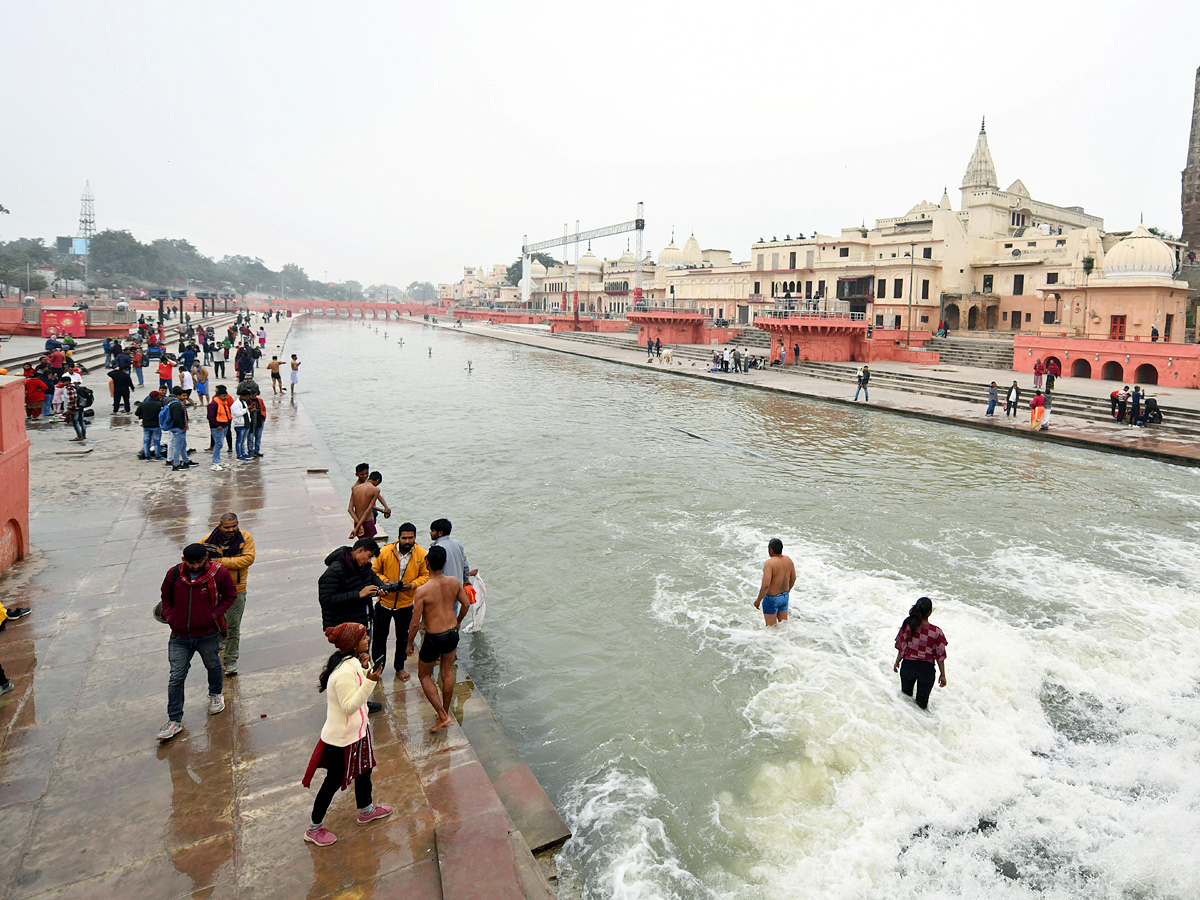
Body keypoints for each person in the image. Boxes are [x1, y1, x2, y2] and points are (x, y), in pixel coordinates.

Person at [301, 623, 393, 846]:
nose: (368, 639)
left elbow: (360, 680)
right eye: (363, 637)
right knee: (332, 782)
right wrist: (370, 682)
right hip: (341, 740)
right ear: (353, 644)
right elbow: (350, 706)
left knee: (364, 771)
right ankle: (313, 828)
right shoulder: (341, 673)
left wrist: (366, 670)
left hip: (358, 734)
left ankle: (366, 810)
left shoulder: (352, 662)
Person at [157, 543, 238, 741]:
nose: (194, 567)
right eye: (190, 563)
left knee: (212, 665)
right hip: (179, 636)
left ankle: (215, 693)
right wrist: (169, 615)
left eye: (199, 562)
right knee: (176, 676)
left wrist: (214, 615)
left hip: (207, 633)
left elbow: (230, 595)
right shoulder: (174, 574)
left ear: (206, 559)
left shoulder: (219, 573)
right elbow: (165, 596)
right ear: (184, 560)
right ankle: (174, 720)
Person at [318, 537, 386, 715]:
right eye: (369, 556)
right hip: (346, 626)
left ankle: (360, 699)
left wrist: (380, 587)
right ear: (360, 550)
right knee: (352, 663)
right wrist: (359, 594)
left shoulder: (362, 567)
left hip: (362, 621)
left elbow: (372, 577)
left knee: (362, 661)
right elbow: (326, 599)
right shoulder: (335, 570)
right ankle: (353, 700)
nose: (369, 561)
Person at [407, 545, 470, 732]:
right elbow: (466, 604)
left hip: (434, 637)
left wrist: (410, 643)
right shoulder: (454, 582)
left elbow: (414, 623)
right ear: (445, 563)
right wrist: (458, 622)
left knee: (424, 675)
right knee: (447, 673)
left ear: (426, 563)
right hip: (451, 633)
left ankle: (442, 715)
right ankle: (445, 711)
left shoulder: (423, 591)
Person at [371, 524, 430, 682]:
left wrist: (412, 585)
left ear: (415, 538)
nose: (407, 541)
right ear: (398, 538)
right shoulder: (384, 551)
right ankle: (377, 667)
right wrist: (386, 582)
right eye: (404, 538)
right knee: (379, 637)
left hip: (405, 604)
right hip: (384, 602)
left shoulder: (421, 554)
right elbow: (374, 571)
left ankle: (399, 667)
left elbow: (425, 575)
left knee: (403, 637)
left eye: (411, 538)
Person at [200, 513, 256, 677]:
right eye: (227, 527)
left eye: (234, 526)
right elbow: (200, 560)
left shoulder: (246, 538)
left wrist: (218, 562)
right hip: (214, 588)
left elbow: (247, 559)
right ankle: (222, 635)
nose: (231, 530)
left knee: (233, 625)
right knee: (219, 619)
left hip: (236, 589)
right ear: (219, 526)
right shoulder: (207, 541)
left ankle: (231, 659)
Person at [893, 596, 947, 710]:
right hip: (926, 670)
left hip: (908, 666)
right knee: (921, 706)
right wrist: (943, 674)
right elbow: (940, 655)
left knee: (905, 703)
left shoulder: (908, 626)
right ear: (930, 612)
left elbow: (902, 647)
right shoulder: (936, 632)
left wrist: (897, 662)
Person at [753, 537, 796, 627]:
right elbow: (793, 579)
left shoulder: (770, 563)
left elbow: (765, 585)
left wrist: (758, 600)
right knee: (783, 627)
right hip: (784, 597)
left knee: (771, 630)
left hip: (771, 599)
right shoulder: (788, 560)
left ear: (771, 550)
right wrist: (787, 591)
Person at [429, 518, 472, 587]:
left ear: (440, 533)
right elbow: (465, 566)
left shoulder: (437, 548)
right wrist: (466, 581)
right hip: (458, 587)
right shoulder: (458, 544)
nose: (430, 533)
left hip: (443, 588)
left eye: (432, 531)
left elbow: (434, 571)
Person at [349, 473, 390, 539]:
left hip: (357, 521)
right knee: (368, 545)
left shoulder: (355, 488)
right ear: (377, 480)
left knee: (361, 543)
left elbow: (350, 509)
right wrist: (358, 527)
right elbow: (368, 510)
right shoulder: (375, 490)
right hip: (368, 521)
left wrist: (358, 526)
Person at [165, 385, 194, 471]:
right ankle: (176, 464)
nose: (185, 397)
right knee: (177, 446)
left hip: (180, 428)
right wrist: (182, 427)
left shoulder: (178, 403)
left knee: (183, 445)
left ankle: (186, 461)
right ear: (178, 396)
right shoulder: (177, 405)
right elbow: (176, 417)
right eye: (183, 396)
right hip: (178, 429)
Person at [136, 390, 165, 460]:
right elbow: (163, 414)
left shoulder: (143, 404)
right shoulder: (159, 404)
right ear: (157, 396)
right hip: (156, 424)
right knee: (156, 441)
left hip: (146, 424)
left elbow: (137, 413)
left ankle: (147, 456)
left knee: (146, 441)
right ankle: (157, 455)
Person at [60, 375, 86, 442]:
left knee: (75, 422)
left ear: (68, 381)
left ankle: (79, 436)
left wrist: (68, 408)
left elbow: (71, 399)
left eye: (64, 382)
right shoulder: (75, 386)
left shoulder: (69, 388)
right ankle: (83, 435)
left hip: (74, 407)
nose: (62, 383)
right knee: (81, 421)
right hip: (80, 406)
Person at [231, 389, 251, 461]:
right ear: (242, 396)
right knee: (239, 440)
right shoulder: (236, 404)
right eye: (246, 397)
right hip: (239, 425)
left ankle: (243, 453)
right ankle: (239, 455)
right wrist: (246, 409)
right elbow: (237, 414)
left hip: (246, 424)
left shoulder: (244, 402)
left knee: (243, 440)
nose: (247, 398)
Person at [247, 391, 267, 458]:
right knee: (250, 438)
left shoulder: (260, 400)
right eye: (252, 396)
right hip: (251, 422)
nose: (254, 397)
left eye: (255, 396)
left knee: (258, 437)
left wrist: (263, 417)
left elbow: (263, 409)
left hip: (259, 421)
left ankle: (257, 450)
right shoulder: (247, 401)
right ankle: (250, 451)